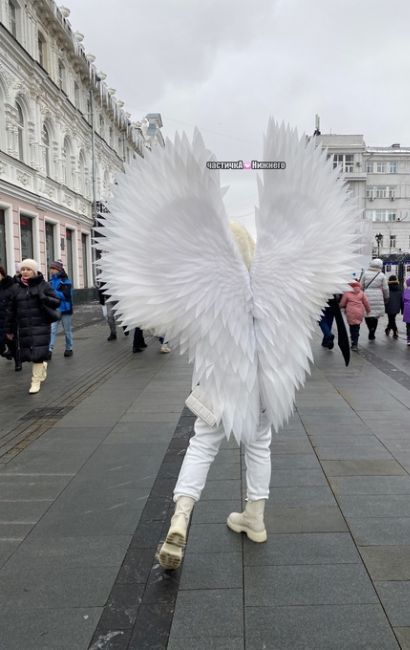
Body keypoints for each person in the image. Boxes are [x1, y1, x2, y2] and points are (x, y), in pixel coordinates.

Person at [98, 121, 363, 571]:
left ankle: (180, 518)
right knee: (260, 446)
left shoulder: (212, 284)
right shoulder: (274, 285)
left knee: (201, 445)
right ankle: (254, 518)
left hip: (219, 385)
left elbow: (155, 284)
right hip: (266, 388)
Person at [5, 259, 60, 393]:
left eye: (28, 269)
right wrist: (8, 329)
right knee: (29, 355)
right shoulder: (16, 288)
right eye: (23, 269)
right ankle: (42, 367)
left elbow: (56, 302)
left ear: (34, 271)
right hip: (23, 326)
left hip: (40, 325)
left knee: (37, 354)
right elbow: (10, 310)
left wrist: (43, 297)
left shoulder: (43, 285)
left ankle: (35, 381)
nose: (25, 272)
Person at [48, 260, 73, 358]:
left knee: (67, 330)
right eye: (51, 268)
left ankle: (69, 348)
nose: (51, 270)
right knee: (52, 330)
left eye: (53, 268)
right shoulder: (50, 282)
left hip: (66, 309)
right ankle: (49, 350)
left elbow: (66, 295)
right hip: (55, 309)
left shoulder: (66, 281)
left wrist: (53, 292)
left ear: (58, 270)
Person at [361, 258, 389, 340]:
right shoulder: (382, 275)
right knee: (376, 315)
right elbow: (385, 288)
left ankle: (370, 328)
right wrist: (386, 297)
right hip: (378, 295)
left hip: (366, 295)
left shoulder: (365, 274)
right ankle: (373, 331)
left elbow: (361, 286)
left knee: (367, 314)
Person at [339, 279, 370, 351]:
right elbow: (366, 303)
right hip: (359, 312)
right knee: (357, 327)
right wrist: (368, 310)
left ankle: (354, 341)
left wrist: (339, 306)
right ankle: (355, 341)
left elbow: (342, 304)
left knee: (352, 326)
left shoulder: (347, 293)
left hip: (350, 312)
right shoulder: (361, 293)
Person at [0, 265, 16, 362]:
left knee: (10, 341)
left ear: (2, 274)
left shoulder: (10, 285)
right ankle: (5, 352)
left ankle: (17, 361)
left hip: (8, 317)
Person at [385, 274, 401, 338]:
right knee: (392, 318)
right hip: (397, 306)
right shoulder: (399, 288)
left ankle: (395, 331)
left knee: (391, 319)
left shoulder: (387, 288)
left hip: (389, 305)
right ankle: (388, 329)